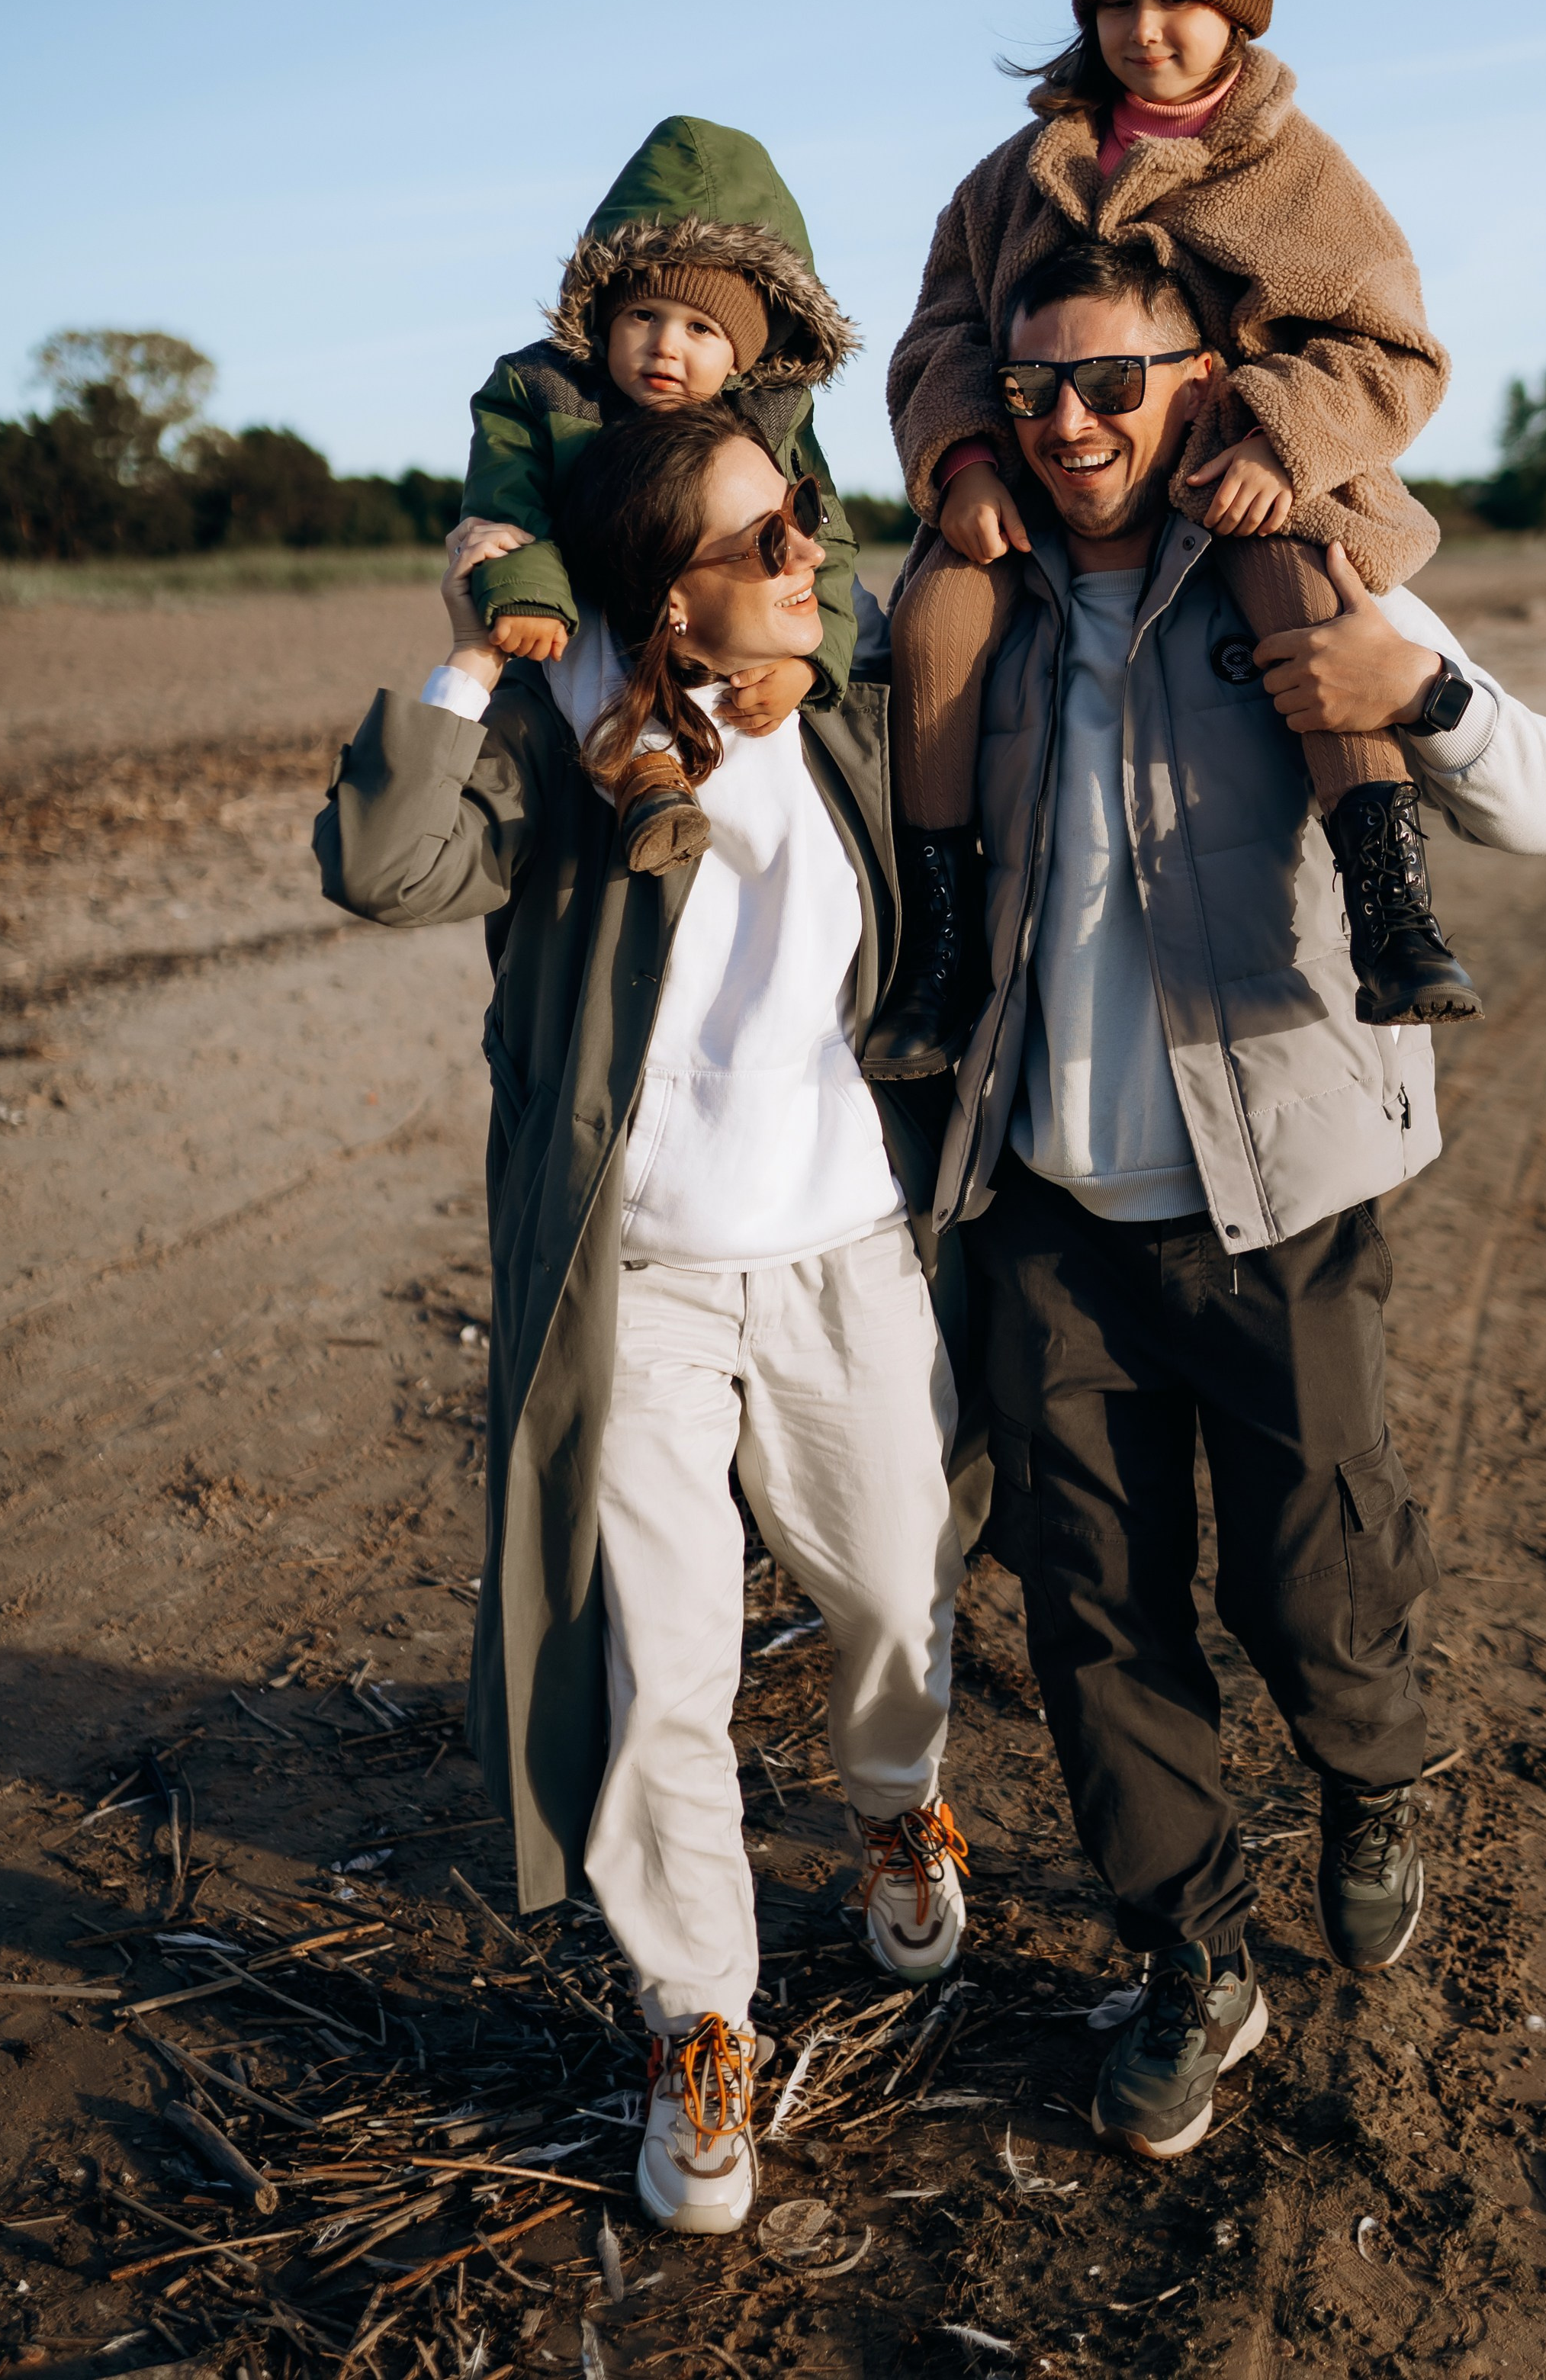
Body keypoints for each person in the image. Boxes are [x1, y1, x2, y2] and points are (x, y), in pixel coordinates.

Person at [930, 233, 1546, 2162]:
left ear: (1207, 374)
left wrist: (1427, 689)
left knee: (1313, 1585)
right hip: (1050, 1207)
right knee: (1093, 1621)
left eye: (1112, 380)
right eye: (1035, 386)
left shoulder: (1304, 563)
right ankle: (1190, 1956)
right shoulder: (979, 607)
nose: (1069, 422)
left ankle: (1374, 1769)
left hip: (1280, 1196)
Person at [313, 397, 968, 2237]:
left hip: (848, 1244)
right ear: (664, 590)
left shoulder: (834, 701)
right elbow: (382, 867)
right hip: (649, 1278)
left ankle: (898, 1801)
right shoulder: (576, 731)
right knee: (661, 1665)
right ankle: (702, 2014)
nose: (806, 555)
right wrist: (461, 655)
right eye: (763, 539)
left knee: (894, 1584)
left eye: (805, 522)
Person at [869, 0, 1477, 1074]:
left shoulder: (1295, 171)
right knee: (930, 620)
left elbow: (1393, 349)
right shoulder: (1014, 181)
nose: (1147, 30)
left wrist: (1279, 437)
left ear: (1240, 5)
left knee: (1299, 590)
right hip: (1047, 483)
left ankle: (1390, 908)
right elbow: (940, 335)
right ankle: (937, 949)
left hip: (1238, 491)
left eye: (1181, 0)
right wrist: (966, 455)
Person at [455, 111, 872, 869]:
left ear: (742, 352)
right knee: (584, 642)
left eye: (700, 329)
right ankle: (641, 772)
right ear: (604, 314)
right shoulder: (545, 392)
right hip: (590, 606)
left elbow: (824, 543)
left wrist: (811, 667)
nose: (663, 345)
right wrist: (526, 594)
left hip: (709, 631)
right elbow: (507, 502)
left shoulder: (769, 422)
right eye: (643, 315)